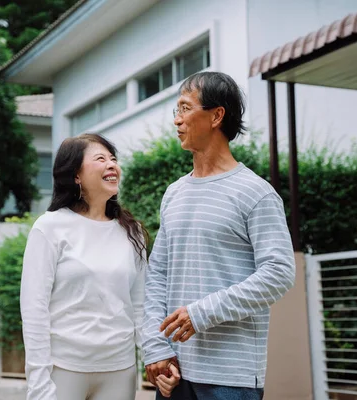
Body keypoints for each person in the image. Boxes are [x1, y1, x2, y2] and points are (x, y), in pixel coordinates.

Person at [142, 71, 296, 400]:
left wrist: (201, 313)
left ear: (216, 115)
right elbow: (157, 274)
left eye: (185, 109)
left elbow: (279, 273)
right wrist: (156, 348)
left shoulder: (256, 193)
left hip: (232, 379)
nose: (177, 120)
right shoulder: (173, 193)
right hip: (175, 372)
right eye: (176, 111)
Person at [20, 133, 148, 400]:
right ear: (76, 175)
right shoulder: (50, 227)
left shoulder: (131, 232)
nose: (112, 165)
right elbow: (34, 310)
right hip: (64, 369)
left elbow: (141, 306)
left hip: (119, 370)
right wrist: (39, 382)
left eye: (113, 159)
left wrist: (153, 357)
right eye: (100, 159)